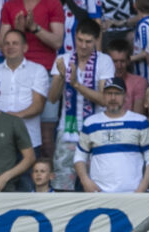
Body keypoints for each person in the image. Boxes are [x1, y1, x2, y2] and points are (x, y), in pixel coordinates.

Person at [47, 18, 112, 190]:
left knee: (94, 183)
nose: (83, 45)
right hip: (67, 129)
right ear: (74, 37)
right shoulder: (63, 59)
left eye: (88, 41)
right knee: (63, 183)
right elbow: (53, 98)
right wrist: (61, 76)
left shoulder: (104, 61)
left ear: (97, 40)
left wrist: (76, 84)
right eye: (80, 40)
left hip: (95, 130)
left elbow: (105, 99)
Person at [74, 76, 149, 192]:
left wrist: (143, 187)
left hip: (133, 194)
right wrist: (85, 181)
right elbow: (79, 156)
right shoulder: (90, 123)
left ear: (125, 96)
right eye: (109, 93)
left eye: (117, 93)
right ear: (103, 96)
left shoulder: (140, 122)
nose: (113, 97)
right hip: (99, 194)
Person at [0, 29, 50, 160]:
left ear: (25, 47)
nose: (10, 47)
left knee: (27, 181)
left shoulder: (38, 70)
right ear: (2, 48)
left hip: (28, 140)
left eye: (15, 43)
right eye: (7, 43)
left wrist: (12, 118)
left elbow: (38, 105)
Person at [0, 0, 65, 74]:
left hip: (45, 68)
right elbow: (2, 46)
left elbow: (57, 43)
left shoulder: (53, 3)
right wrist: (18, 32)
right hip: (15, 68)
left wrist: (34, 28)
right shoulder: (9, 5)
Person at [106, 37, 148, 113]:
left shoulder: (139, 82)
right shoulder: (102, 82)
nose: (119, 66)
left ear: (128, 61)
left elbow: (137, 117)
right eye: (115, 61)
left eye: (122, 61)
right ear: (107, 61)